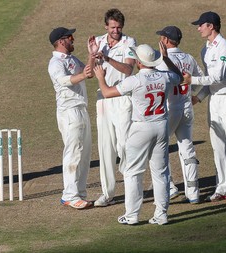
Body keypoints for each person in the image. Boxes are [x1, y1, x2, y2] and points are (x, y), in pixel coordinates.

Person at [94, 43, 184, 225]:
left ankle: (132, 215)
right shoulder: (165, 76)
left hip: (141, 127)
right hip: (161, 126)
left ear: (139, 62)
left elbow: (106, 92)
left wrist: (100, 78)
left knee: (133, 171)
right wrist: (165, 58)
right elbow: (180, 77)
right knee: (161, 172)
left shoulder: (134, 80)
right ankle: (161, 214)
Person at [185, 11, 226, 203]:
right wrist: (198, 97)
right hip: (215, 100)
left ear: (211, 26)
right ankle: (222, 188)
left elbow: (219, 77)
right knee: (218, 146)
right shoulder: (205, 49)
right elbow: (210, 83)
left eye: (201, 25)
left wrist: (191, 80)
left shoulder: (225, 46)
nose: (198, 28)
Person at [88, 8, 136, 207]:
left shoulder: (129, 42)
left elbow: (128, 69)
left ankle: (131, 180)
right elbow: (90, 73)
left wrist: (107, 58)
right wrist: (92, 55)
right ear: (106, 26)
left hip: (122, 97)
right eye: (112, 27)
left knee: (124, 145)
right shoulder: (98, 41)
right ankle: (107, 193)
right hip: (103, 99)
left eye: (119, 27)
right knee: (105, 147)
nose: (116, 30)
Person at [155, 26, 204, 204]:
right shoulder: (189, 58)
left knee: (158, 148)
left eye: (161, 37)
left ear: (167, 41)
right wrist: (197, 97)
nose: (160, 40)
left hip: (169, 109)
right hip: (186, 108)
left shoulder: (161, 60)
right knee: (187, 148)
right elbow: (203, 80)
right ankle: (193, 193)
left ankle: (170, 187)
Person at [48, 27, 94, 209]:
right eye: (70, 37)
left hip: (81, 108)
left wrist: (92, 54)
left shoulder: (72, 59)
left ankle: (79, 193)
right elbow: (64, 81)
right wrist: (82, 75)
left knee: (85, 153)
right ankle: (69, 195)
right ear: (61, 41)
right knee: (73, 152)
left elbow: (87, 71)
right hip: (69, 112)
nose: (73, 39)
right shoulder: (55, 63)